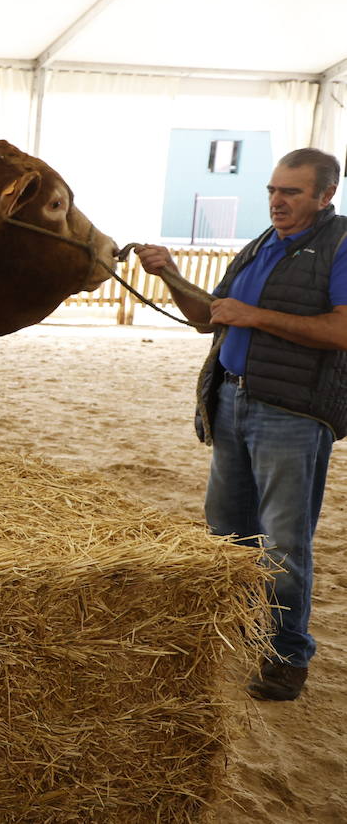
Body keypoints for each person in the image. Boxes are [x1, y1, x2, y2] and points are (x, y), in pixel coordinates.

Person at [136, 147, 345, 702]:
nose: (278, 201)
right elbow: (210, 317)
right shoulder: (261, 246)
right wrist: (171, 275)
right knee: (227, 533)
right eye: (273, 191)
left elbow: (343, 330)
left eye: (292, 193)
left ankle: (287, 656)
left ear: (326, 196)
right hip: (230, 402)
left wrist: (251, 316)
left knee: (282, 542)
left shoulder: (341, 243)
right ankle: (237, 634)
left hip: (292, 415)